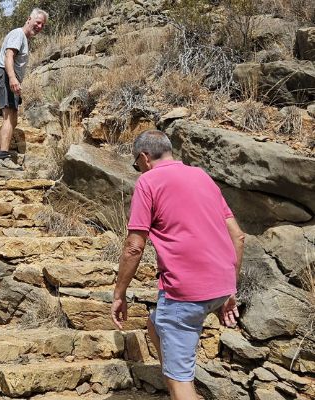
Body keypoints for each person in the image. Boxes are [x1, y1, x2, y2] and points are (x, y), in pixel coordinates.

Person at [110, 130, 245, 400]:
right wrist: (229, 289)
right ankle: (175, 378)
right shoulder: (202, 176)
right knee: (154, 323)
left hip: (185, 293)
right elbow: (238, 237)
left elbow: (134, 247)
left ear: (144, 158)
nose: (138, 170)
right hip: (219, 288)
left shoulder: (149, 182)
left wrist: (119, 294)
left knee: (181, 383)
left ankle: (179, 386)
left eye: (136, 165)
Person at [0, 8, 48, 169]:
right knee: (9, 116)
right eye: (38, 22)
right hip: (6, 76)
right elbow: (9, 56)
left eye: (43, 25)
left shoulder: (24, 38)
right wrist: (13, 78)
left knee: (11, 118)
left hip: (9, 77)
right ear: (29, 19)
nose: (40, 26)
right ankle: (3, 157)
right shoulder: (18, 34)